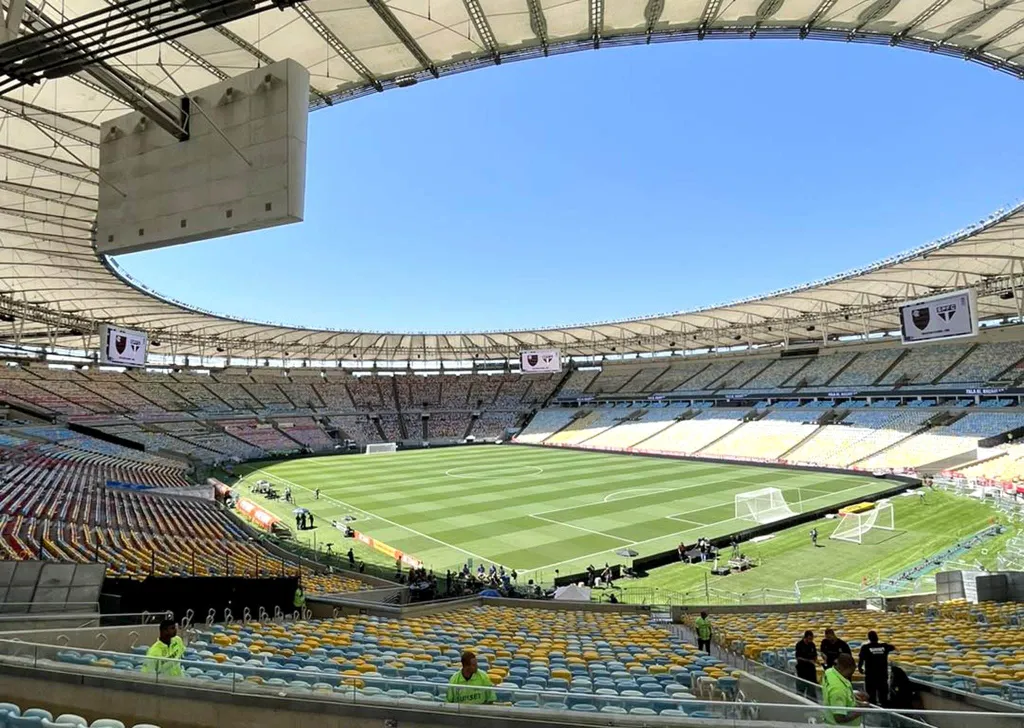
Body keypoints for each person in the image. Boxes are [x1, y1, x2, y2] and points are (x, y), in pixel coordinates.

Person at [822, 653, 868, 726]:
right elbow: (839, 718)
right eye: (850, 672)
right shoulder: (838, 690)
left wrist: (851, 695)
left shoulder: (829, 672)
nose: (851, 675)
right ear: (842, 668)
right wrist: (861, 711)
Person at [858, 630, 896, 705]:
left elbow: (861, 660)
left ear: (869, 638)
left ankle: (873, 712)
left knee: (871, 698)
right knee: (883, 698)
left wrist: (860, 668)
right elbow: (893, 647)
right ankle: (884, 712)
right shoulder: (884, 646)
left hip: (870, 676)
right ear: (877, 638)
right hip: (882, 676)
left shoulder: (865, 647)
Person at [794, 630, 818, 697]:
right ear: (806, 637)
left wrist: (815, 660)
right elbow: (798, 657)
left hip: (811, 670)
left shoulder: (812, 645)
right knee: (801, 689)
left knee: (811, 689)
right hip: (802, 670)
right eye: (809, 639)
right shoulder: (799, 645)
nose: (811, 640)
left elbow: (815, 655)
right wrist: (808, 661)